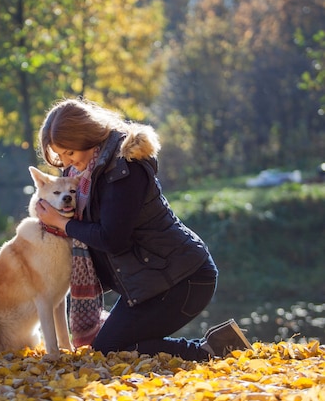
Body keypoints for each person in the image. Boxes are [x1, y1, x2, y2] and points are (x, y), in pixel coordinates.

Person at [34, 97, 252, 361]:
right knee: (111, 346)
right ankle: (223, 342)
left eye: (70, 152)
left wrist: (63, 224)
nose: (67, 162)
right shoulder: (86, 174)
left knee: (110, 349)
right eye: (60, 154)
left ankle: (212, 351)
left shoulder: (123, 168)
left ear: (88, 136)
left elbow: (113, 240)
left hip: (184, 279)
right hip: (149, 282)